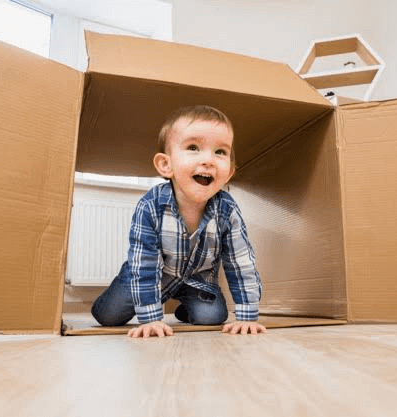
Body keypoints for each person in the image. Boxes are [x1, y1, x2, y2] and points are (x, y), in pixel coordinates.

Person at [91, 105, 266, 338]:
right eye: (193, 148)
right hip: (150, 275)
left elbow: (240, 262)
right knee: (108, 317)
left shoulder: (227, 209)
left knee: (212, 318)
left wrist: (247, 316)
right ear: (166, 165)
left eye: (220, 152)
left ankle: (186, 310)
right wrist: (150, 319)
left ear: (230, 171)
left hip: (197, 282)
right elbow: (144, 263)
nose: (208, 160)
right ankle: (127, 297)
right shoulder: (151, 205)